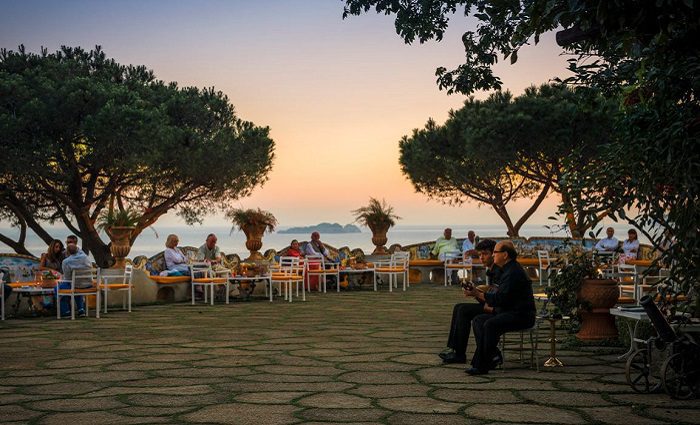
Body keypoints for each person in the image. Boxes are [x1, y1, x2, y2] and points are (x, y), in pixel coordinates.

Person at [465, 240, 536, 375]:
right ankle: (492, 357)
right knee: (479, 320)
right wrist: (478, 294)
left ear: (505, 255)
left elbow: (500, 299)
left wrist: (477, 294)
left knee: (490, 324)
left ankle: (482, 365)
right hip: (510, 311)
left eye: (495, 252)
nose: (493, 255)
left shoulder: (513, 272)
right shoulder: (507, 269)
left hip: (521, 315)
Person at [439, 239, 500, 364]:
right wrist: (475, 292)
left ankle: (460, 353)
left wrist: (476, 293)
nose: (481, 258)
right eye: (479, 255)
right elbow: (490, 296)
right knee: (459, 307)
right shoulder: (492, 271)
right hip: (493, 305)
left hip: (500, 309)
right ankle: (455, 350)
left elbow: (495, 300)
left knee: (463, 310)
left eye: (485, 254)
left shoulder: (499, 271)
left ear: (494, 254)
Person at [58, 243, 93, 317]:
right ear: (77, 249)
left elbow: (67, 278)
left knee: (58, 288)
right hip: (89, 285)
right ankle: (81, 310)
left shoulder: (66, 261)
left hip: (76, 286)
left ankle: (66, 311)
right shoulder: (86, 258)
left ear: (67, 252)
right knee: (75, 285)